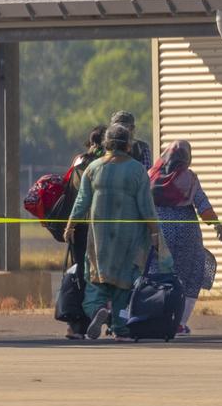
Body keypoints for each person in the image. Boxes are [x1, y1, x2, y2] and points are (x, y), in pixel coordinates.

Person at [63, 123, 172, 340]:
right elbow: (146, 206)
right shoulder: (137, 170)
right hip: (128, 239)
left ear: (106, 144)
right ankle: (120, 329)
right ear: (128, 145)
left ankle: (97, 311)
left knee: (96, 282)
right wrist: (154, 234)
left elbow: (82, 202)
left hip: (100, 239)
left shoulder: (93, 168)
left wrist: (70, 225)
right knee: (123, 287)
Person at [149, 140, 222, 335]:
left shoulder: (150, 176)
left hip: (159, 234)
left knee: (158, 275)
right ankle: (179, 323)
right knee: (191, 275)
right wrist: (217, 225)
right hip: (187, 235)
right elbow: (203, 205)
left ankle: (155, 318)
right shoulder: (189, 178)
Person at [61, 124, 106, 339]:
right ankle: (106, 318)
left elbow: (74, 195)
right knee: (101, 275)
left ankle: (76, 325)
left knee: (79, 273)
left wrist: (70, 225)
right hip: (100, 228)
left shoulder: (78, 161)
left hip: (79, 228)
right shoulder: (103, 164)